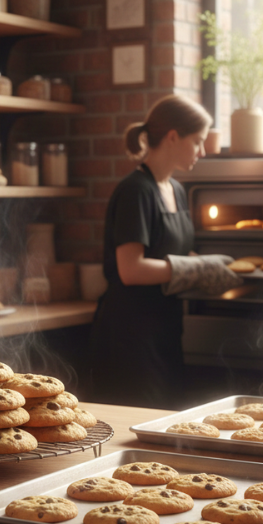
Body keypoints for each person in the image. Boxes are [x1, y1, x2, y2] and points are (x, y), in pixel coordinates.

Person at [88, 94, 240, 410]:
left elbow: (172, 252)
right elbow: (130, 270)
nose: (203, 151)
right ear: (173, 137)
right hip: (130, 335)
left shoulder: (176, 189)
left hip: (165, 328)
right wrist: (195, 269)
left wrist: (207, 268)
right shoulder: (136, 190)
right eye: (197, 141)